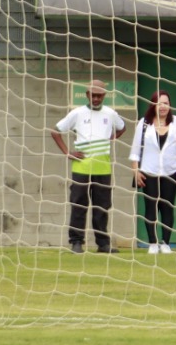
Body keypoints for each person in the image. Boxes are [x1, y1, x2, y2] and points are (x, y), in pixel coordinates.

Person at [51, 79, 128, 253]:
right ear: (87, 95)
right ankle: (76, 242)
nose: (96, 99)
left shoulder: (110, 113)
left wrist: (111, 139)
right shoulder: (77, 113)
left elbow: (123, 128)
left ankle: (103, 244)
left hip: (103, 168)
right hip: (81, 167)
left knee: (102, 206)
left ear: (104, 96)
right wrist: (68, 152)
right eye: (93, 95)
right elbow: (55, 131)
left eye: (99, 96)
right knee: (79, 204)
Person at [130, 90, 176, 254]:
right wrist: (136, 171)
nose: (163, 106)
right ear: (153, 105)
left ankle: (165, 243)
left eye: (166, 103)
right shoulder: (144, 123)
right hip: (149, 171)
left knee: (167, 207)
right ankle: (153, 243)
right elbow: (135, 150)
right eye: (159, 103)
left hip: (171, 171)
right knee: (151, 207)